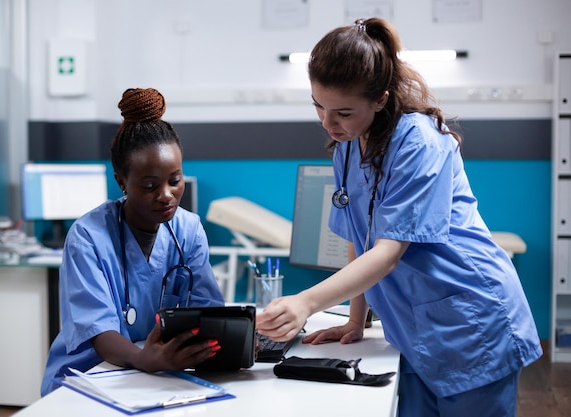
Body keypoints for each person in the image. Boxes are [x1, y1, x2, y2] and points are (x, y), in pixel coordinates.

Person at [256, 18, 542, 417]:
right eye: (318, 106)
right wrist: (355, 320)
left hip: (470, 319)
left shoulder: (420, 141)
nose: (327, 123)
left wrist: (305, 303)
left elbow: (388, 251)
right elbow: (360, 238)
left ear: (380, 99)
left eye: (342, 112)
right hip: (416, 328)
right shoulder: (348, 148)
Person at [41, 88, 225, 396]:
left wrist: (235, 338)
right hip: (92, 375)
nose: (166, 194)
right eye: (150, 185)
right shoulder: (88, 237)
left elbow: (207, 308)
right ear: (122, 181)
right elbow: (99, 332)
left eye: (175, 181)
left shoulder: (188, 228)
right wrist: (144, 358)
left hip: (158, 372)